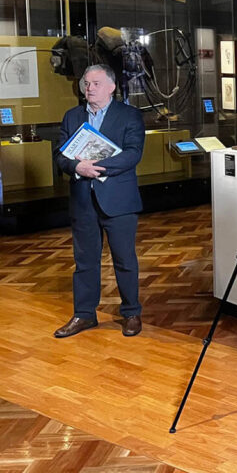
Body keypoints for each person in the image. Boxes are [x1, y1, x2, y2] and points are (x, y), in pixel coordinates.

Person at [53, 64, 145, 339]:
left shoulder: (129, 115)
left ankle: (131, 313)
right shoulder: (72, 116)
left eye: (95, 83)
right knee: (84, 261)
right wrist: (76, 167)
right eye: (86, 83)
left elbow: (133, 154)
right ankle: (84, 314)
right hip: (83, 200)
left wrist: (94, 167)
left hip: (119, 200)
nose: (89, 88)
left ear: (111, 87)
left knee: (125, 259)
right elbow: (60, 155)